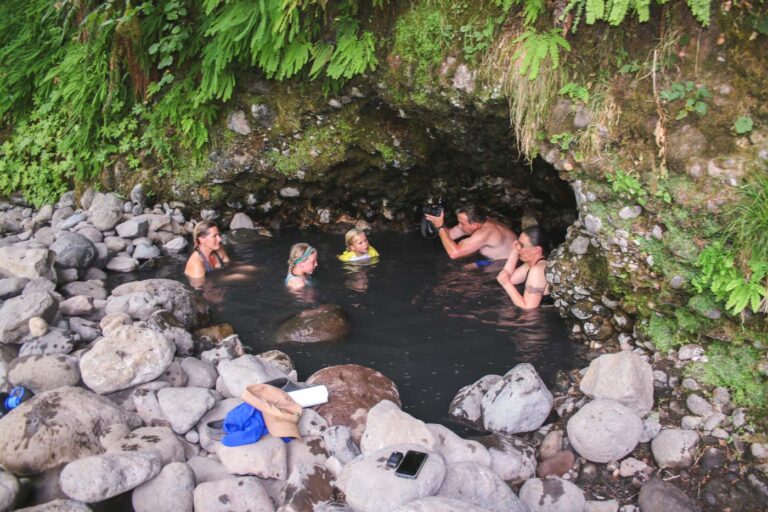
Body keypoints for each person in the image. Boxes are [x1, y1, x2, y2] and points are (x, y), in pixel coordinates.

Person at [424, 205, 517, 266]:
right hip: (492, 258)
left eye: (462, 223)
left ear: (475, 224)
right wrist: (436, 222)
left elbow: (454, 254)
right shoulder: (478, 222)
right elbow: (450, 235)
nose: (459, 226)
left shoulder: (486, 232)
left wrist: (440, 227)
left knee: (459, 277)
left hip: (503, 263)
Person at [496, 226, 552, 309]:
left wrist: (506, 284)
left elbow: (529, 308)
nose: (518, 247)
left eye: (522, 245)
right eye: (518, 243)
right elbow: (510, 279)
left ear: (537, 249)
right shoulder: (529, 265)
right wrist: (514, 252)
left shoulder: (538, 270)